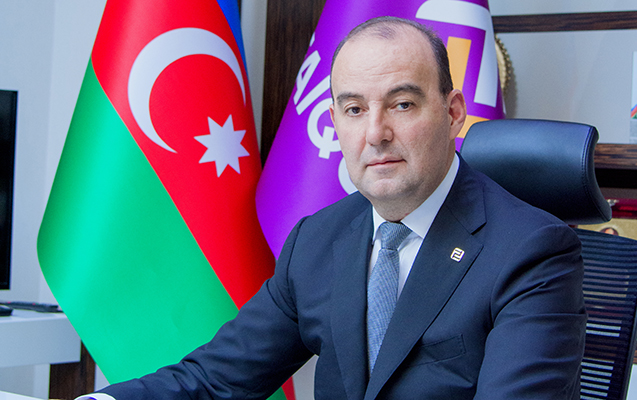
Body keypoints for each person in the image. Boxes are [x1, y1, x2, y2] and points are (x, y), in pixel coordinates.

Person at [79, 16, 586, 400]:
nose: (375, 133)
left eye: (402, 104)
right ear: (335, 121)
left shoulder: (532, 252)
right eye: (354, 109)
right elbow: (217, 379)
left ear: (453, 113)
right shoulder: (317, 240)